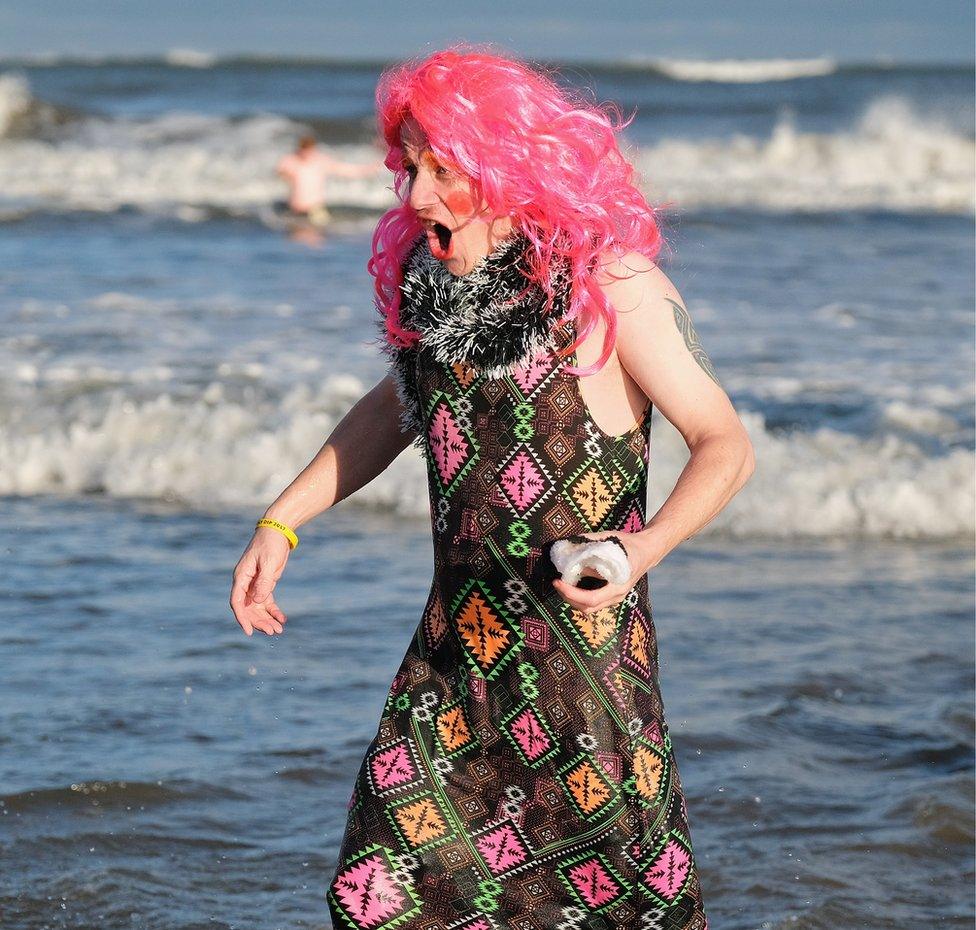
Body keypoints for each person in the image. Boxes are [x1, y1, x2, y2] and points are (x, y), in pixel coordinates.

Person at [230, 47, 755, 930]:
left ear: (510, 167)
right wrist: (281, 522)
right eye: (410, 169)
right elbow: (397, 408)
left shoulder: (611, 287)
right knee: (378, 902)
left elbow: (725, 444)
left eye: (445, 171)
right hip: (447, 673)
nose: (417, 196)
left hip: (581, 690)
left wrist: (640, 549)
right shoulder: (435, 291)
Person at [275, 134, 382, 226]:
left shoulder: (320, 161)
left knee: (315, 238)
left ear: (312, 148)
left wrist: (368, 169)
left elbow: (344, 170)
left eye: (308, 149)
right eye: (303, 149)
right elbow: (280, 173)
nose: (305, 153)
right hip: (295, 209)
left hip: (315, 209)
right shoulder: (290, 160)